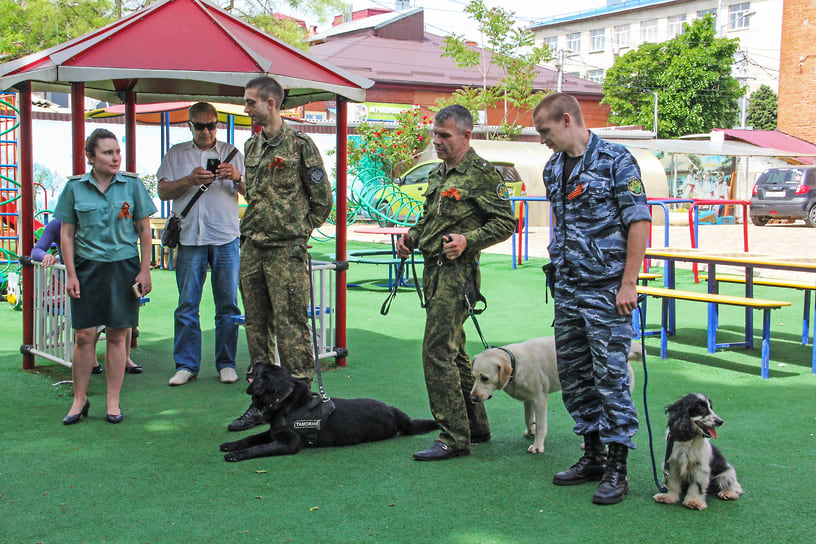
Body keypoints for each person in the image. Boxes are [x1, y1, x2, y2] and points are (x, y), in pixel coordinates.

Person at [532, 93, 651, 505]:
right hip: (567, 290)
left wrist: (629, 282)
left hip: (607, 291)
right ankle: (594, 455)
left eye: (545, 131)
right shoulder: (552, 169)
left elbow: (638, 222)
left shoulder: (617, 161)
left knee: (611, 376)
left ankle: (618, 467)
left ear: (567, 120)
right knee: (576, 376)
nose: (542, 139)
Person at [396, 104, 515, 461]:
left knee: (437, 352)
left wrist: (468, 240)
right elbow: (428, 219)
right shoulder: (438, 173)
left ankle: (452, 437)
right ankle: (475, 427)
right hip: (433, 271)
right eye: (435, 134)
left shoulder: (481, 173)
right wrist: (411, 237)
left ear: (466, 135)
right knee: (454, 351)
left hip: (457, 275)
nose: (437, 141)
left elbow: (507, 222)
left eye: (444, 135)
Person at [226, 76, 333, 432]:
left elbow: (322, 201)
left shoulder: (302, 145)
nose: (246, 108)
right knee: (256, 327)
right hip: (253, 246)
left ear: (271, 103)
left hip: (286, 250)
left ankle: (303, 406)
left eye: (251, 102)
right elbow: (255, 194)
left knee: (291, 327)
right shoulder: (252, 146)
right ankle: (261, 403)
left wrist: (298, 232)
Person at [54, 128, 156, 425]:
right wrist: (71, 274)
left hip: (123, 266)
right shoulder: (74, 188)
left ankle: (113, 401)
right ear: (91, 156)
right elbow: (67, 234)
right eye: (107, 153)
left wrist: (145, 269)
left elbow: (144, 230)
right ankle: (79, 399)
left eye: (117, 152)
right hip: (88, 268)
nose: (115, 158)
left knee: (116, 334)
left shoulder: (132, 186)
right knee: (84, 336)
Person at [157, 102, 245, 386]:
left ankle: (226, 363)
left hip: (226, 237)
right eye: (200, 125)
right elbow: (162, 190)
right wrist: (189, 180)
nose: (206, 131)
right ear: (190, 125)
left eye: (211, 125)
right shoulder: (176, 154)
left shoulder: (232, 154)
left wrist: (237, 177)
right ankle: (186, 364)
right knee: (187, 305)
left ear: (217, 124)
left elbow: (254, 191)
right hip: (191, 237)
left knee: (228, 305)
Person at [31, 219, 142, 374]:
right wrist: (46, 256)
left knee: (122, 310)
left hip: (103, 274)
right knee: (88, 320)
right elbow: (36, 250)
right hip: (78, 280)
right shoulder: (57, 224)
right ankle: (91, 358)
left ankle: (125, 357)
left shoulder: (95, 218)